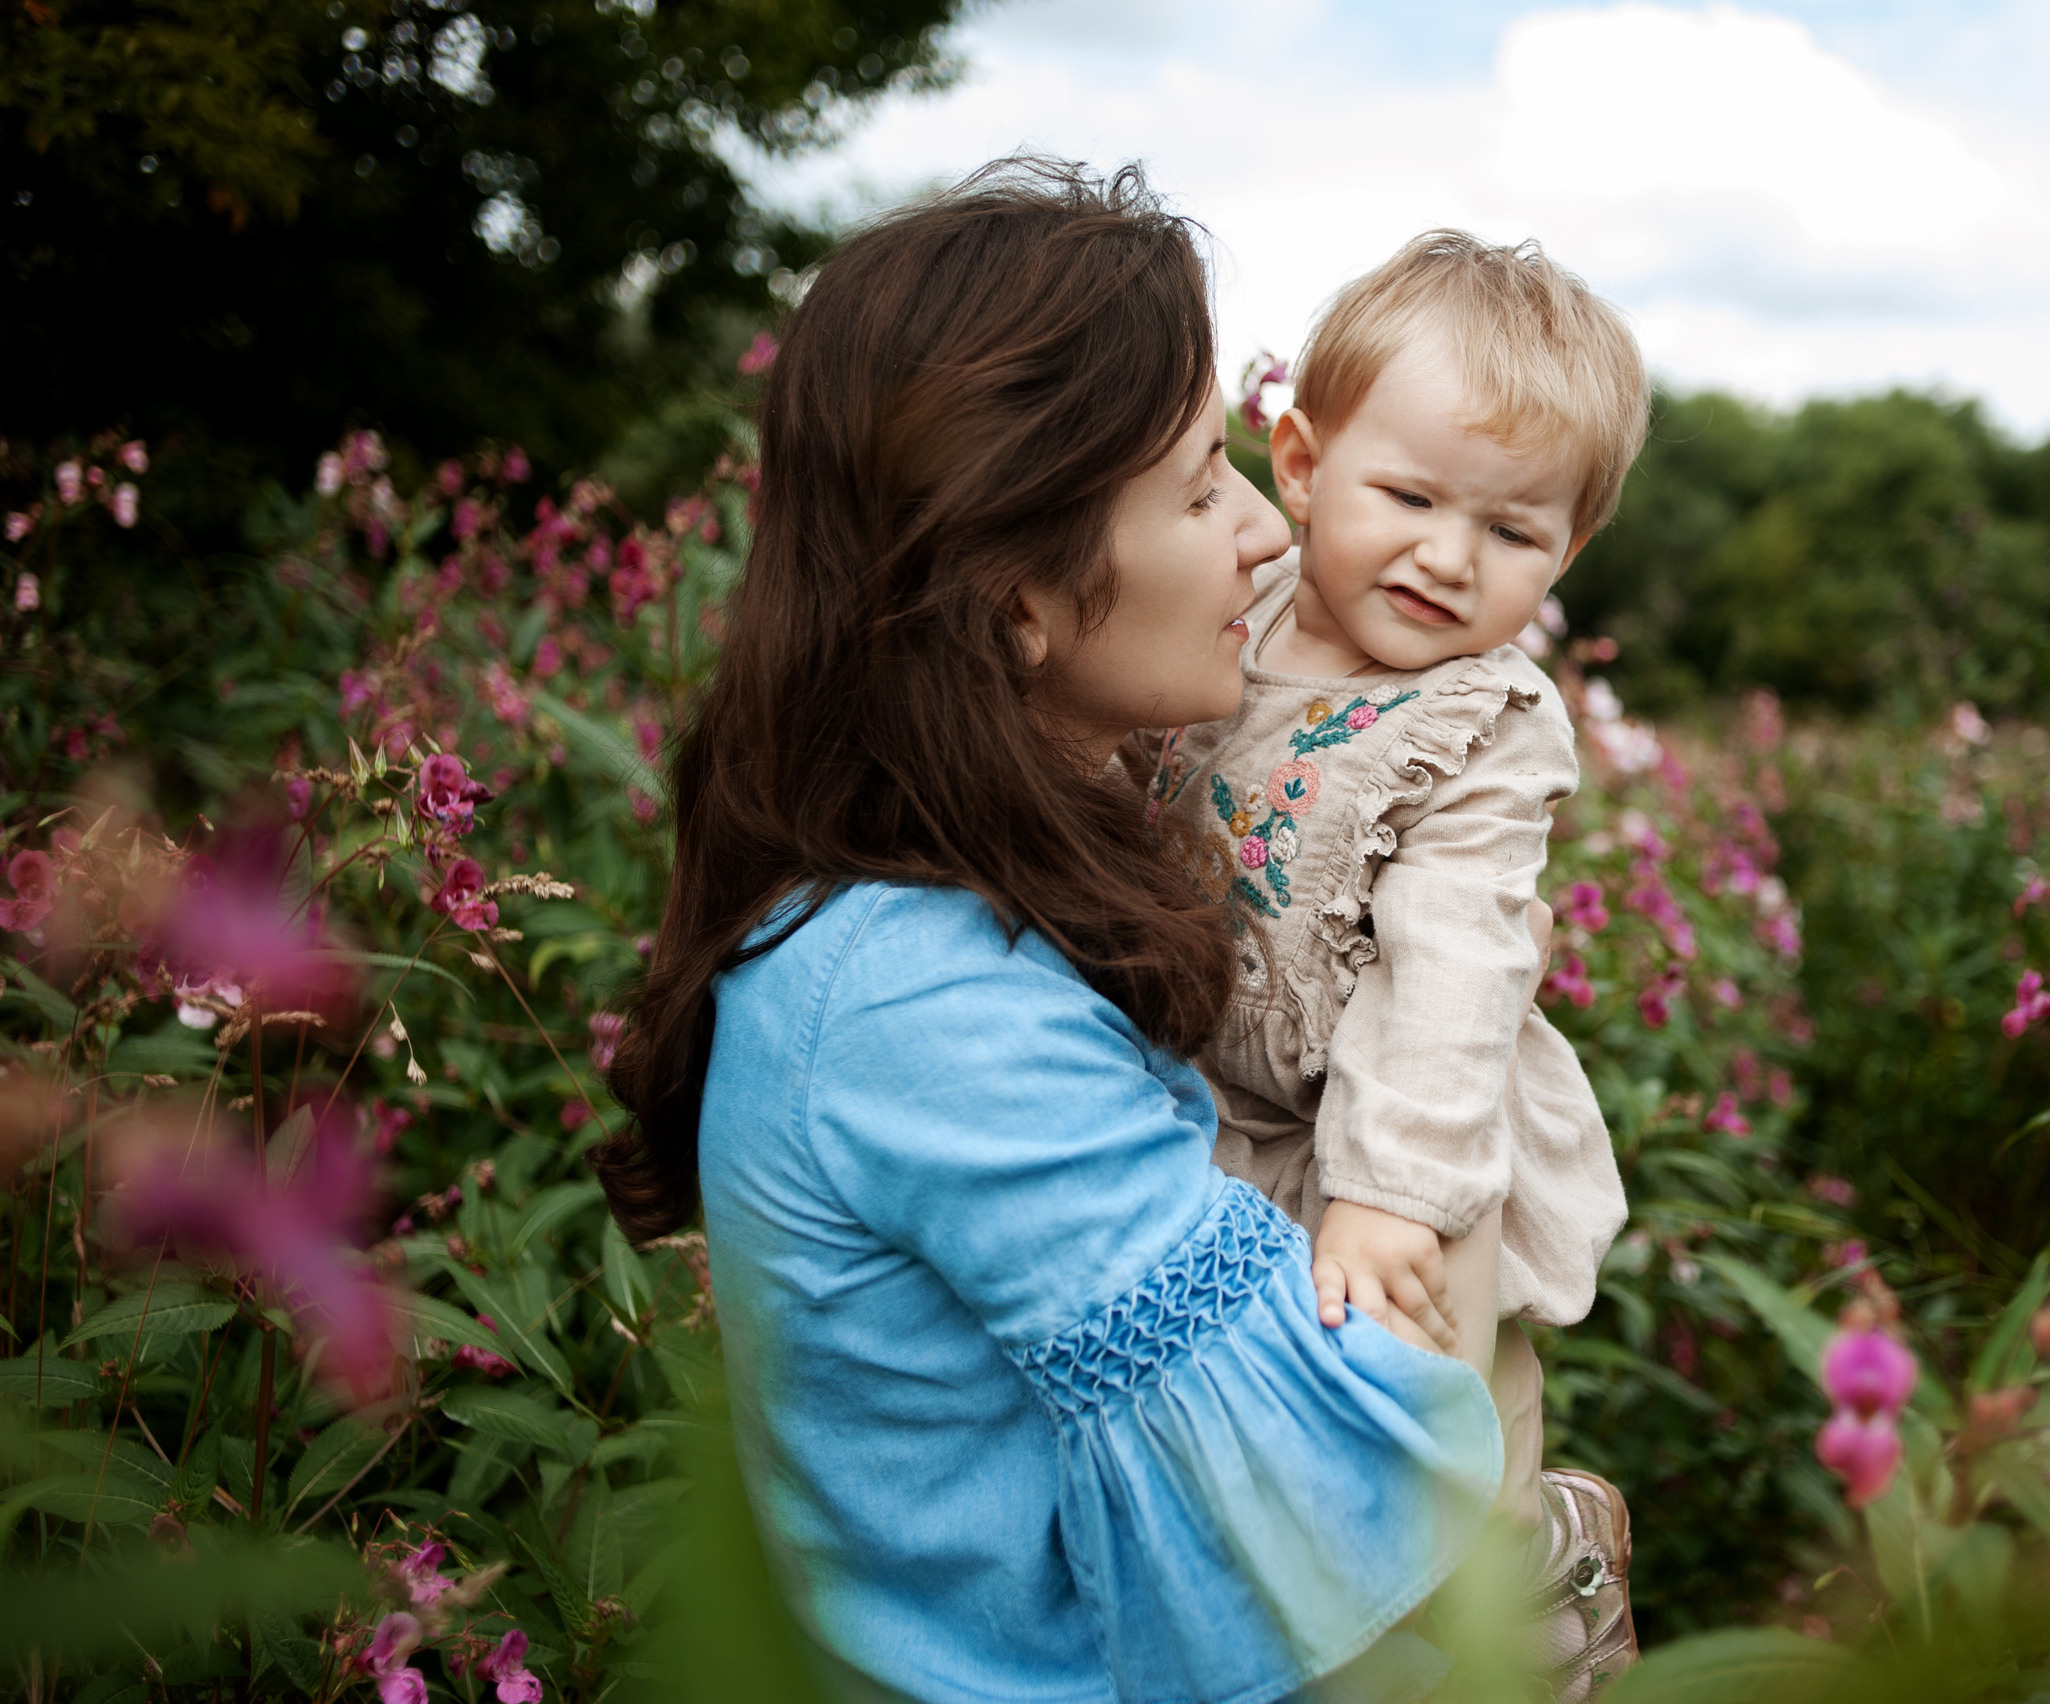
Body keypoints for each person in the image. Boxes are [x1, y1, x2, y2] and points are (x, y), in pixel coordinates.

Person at [589, 160, 1508, 1703]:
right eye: (1198, 485)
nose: (1272, 535)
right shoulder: (918, 1001)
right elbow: (1325, 1505)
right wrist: (1563, 1531)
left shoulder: (906, 911)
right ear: (1016, 599)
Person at [1146, 230, 1649, 1688]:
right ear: (1298, 464)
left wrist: (1389, 1201)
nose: (1446, 556)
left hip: (1401, 1129)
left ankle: (1545, 1582)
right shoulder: (1217, 615)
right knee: (1241, 1467)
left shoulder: (1481, 724)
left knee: (1429, 1432)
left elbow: (1453, 975)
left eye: (1511, 531)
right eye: (1410, 496)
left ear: (1569, 553)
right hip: (1213, 1108)